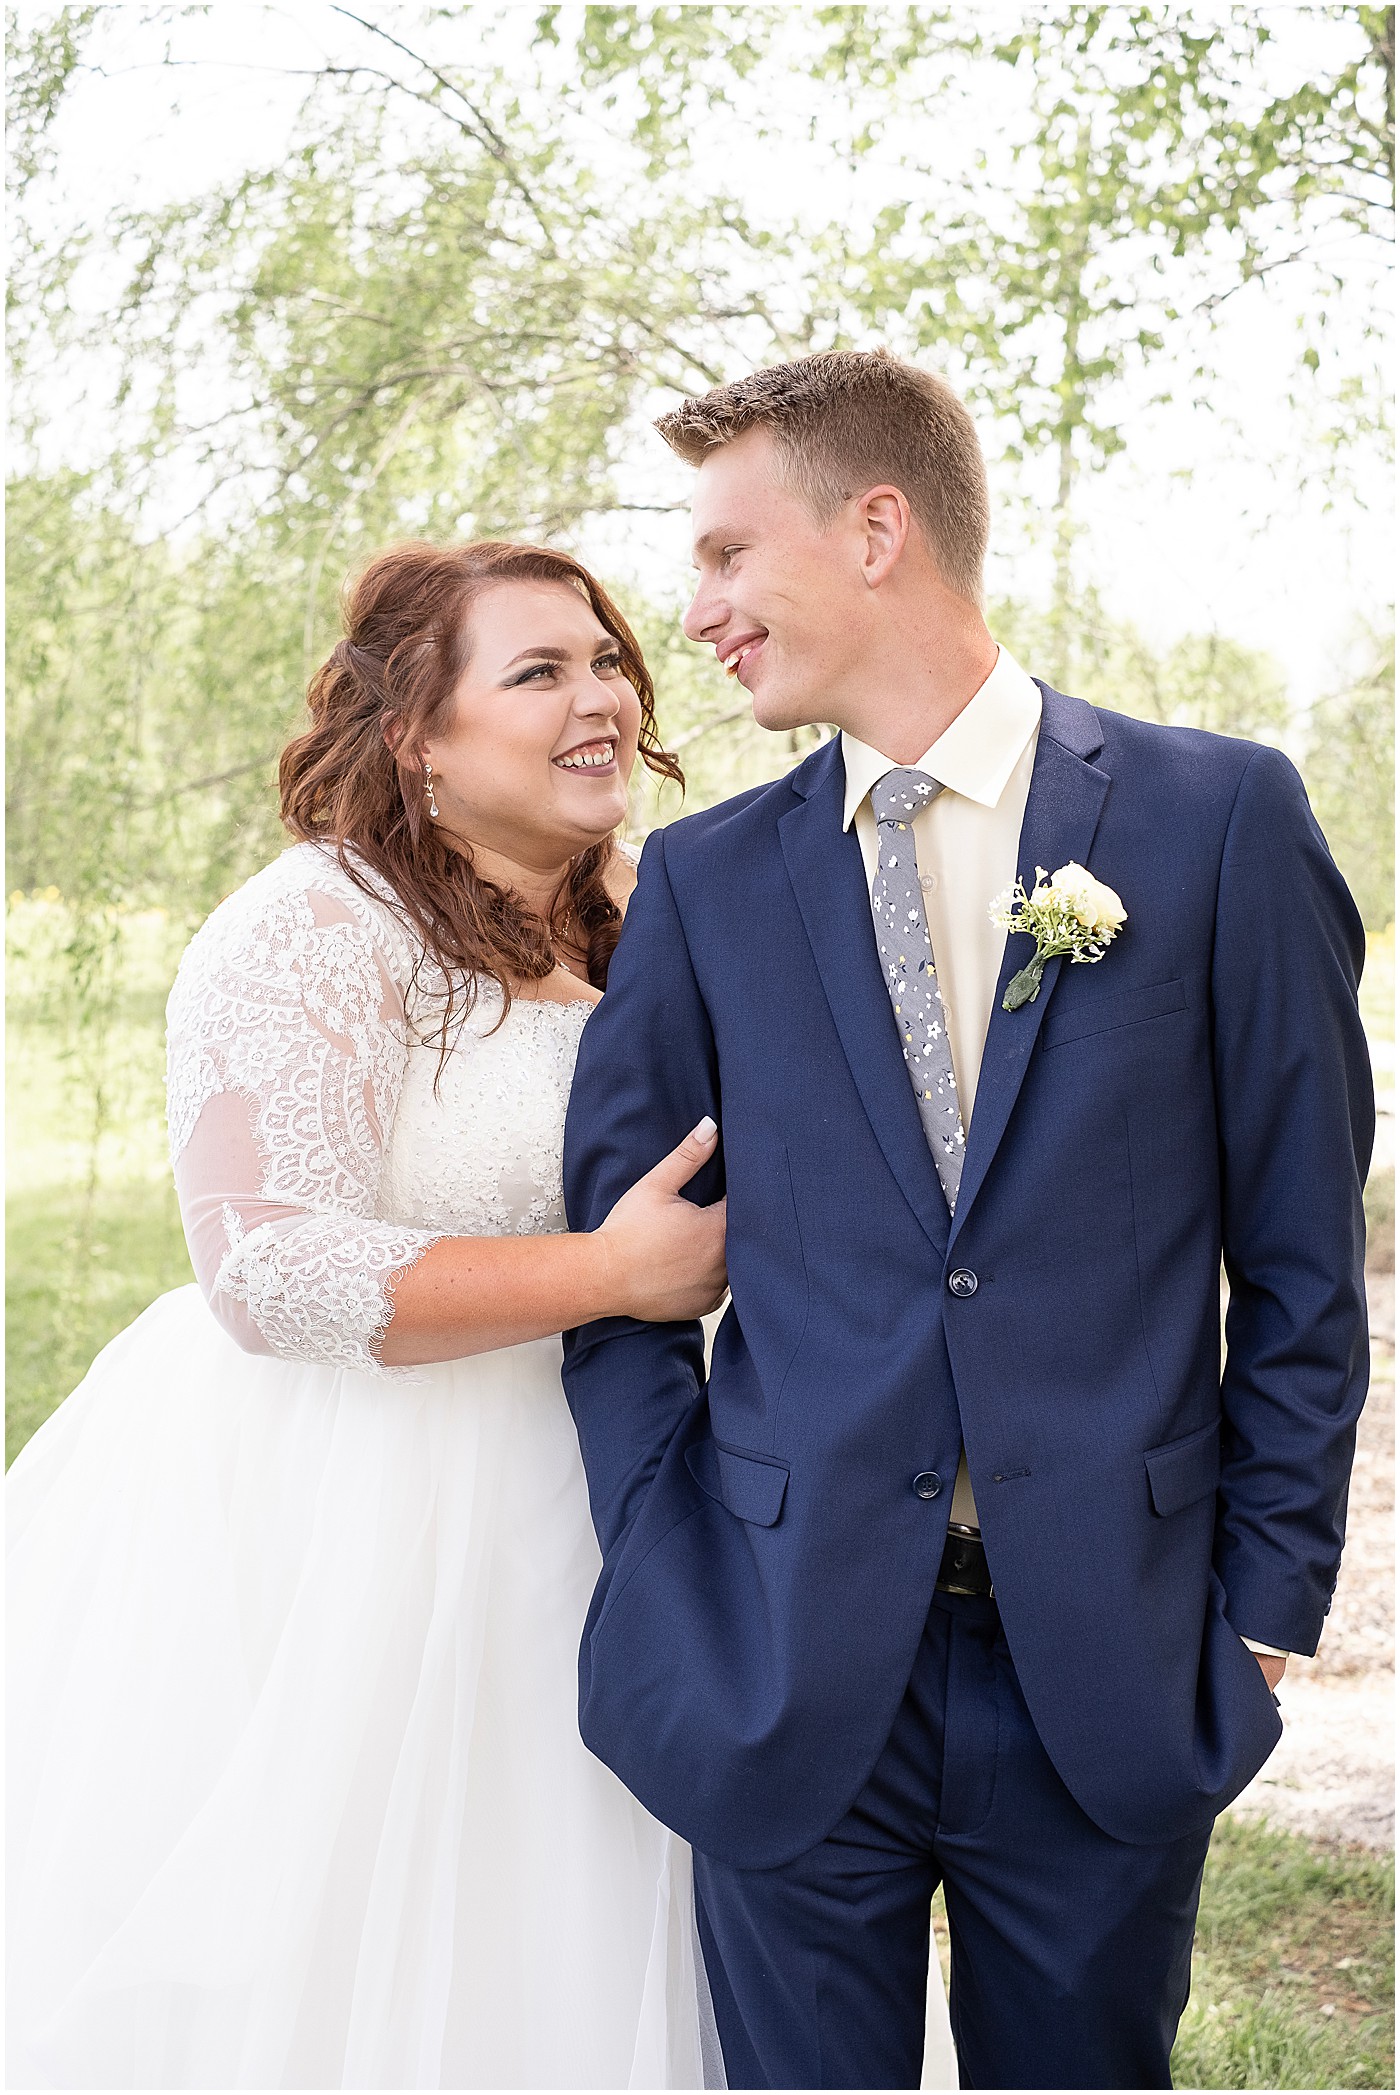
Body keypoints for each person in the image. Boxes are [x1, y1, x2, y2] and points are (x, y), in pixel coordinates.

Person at [561, 349, 1374, 2090]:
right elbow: (617, 1273)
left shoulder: (1217, 819)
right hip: (782, 1650)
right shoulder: (705, 882)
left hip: (1115, 1651)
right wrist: (672, 1552)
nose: (690, 610)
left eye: (724, 554)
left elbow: (1306, 1258)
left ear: (876, 529)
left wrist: (1260, 1608)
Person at [7, 539, 731, 2089]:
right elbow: (264, 1264)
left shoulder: (662, 908)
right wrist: (610, 1276)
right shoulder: (313, 930)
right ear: (415, 731)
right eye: (537, 672)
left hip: (625, 1477)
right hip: (356, 1506)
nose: (598, 695)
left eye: (606, 659)